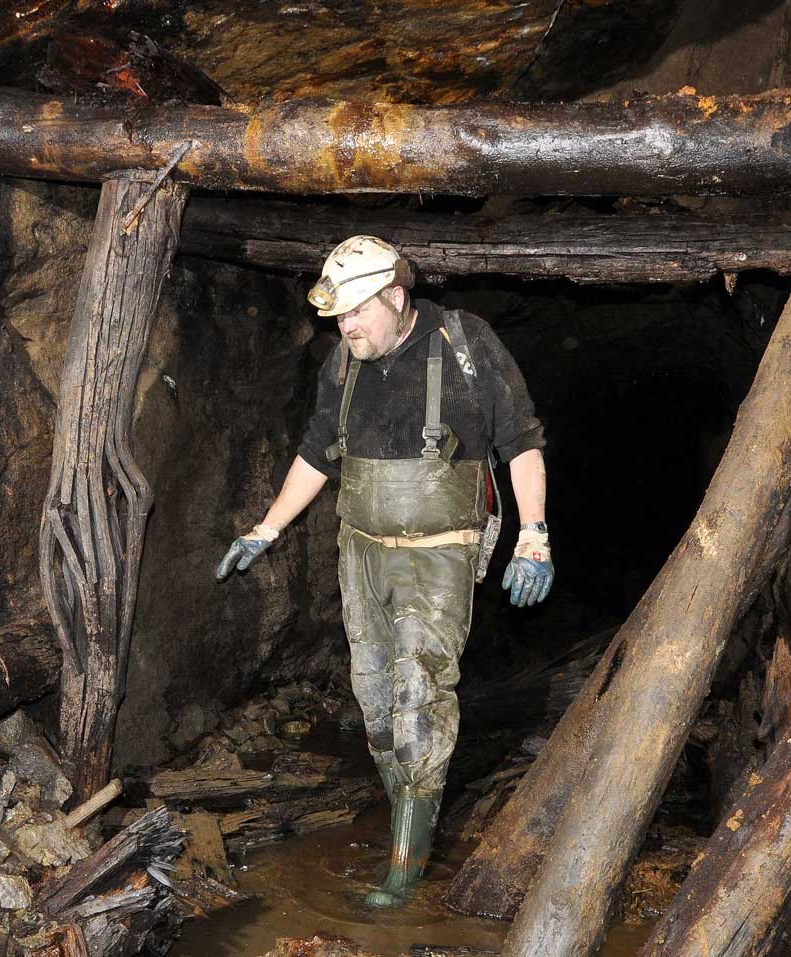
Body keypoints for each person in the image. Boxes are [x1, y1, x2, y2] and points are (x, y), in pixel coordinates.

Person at [216, 236, 553, 907]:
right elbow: (317, 452)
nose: (346, 326)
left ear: (396, 296)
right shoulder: (343, 362)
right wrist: (265, 529)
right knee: (373, 698)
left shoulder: (465, 345)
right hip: (360, 550)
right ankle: (410, 818)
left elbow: (521, 443)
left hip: (439, 552)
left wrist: (533, 536)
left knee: (419, 693)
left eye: (356, 312)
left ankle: (405, 869)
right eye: (338, 315)